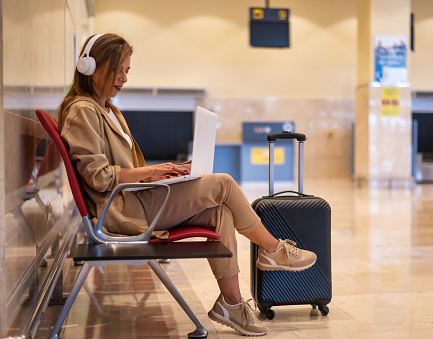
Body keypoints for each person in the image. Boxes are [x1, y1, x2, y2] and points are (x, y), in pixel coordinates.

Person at [58, 33, 317, 337]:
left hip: (137, 197)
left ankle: (232, 305)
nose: (124, 79)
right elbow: (98, 176)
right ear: (92, 67)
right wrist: (151, 172)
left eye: (128, 71)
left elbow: (122, 167)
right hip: (120, 208)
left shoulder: (109, 110)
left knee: (221, 211)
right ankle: (273, 249)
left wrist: (173, 174)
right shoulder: (82, 110)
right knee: (223, 183)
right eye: (119, 71)